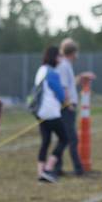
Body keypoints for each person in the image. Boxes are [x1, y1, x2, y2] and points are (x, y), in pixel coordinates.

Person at [34, 46, 67, 183]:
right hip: (50, 111)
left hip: (40, 111)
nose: (61, 59)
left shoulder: (41, 70)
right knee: (64, 138)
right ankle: (48, 169)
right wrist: (65, 100)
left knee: (46, 140)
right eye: (59, 56)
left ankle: (40, 172)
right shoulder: (52, 72)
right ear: (54, 57)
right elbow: (61, 94)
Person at [55, 38, 85, 176]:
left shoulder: (66, 65)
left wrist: (81, 78)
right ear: (73, 52)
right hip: (66, 107)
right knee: (71, 139)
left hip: (67, 106)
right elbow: (63, 87)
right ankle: (77, 169)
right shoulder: (63, 65)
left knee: (66, 138)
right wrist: (68, 104)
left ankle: (58, 166)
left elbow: (70, 83)